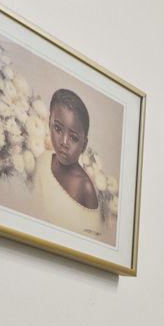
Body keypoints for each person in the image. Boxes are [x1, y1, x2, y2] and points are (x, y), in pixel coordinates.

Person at [34, 88, 106, 239]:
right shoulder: (43, 161)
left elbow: (93, 239)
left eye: (73, 138)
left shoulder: (85, 188)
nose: (64, 142)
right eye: (58, 129)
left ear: (84, 145)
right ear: (49, 123)